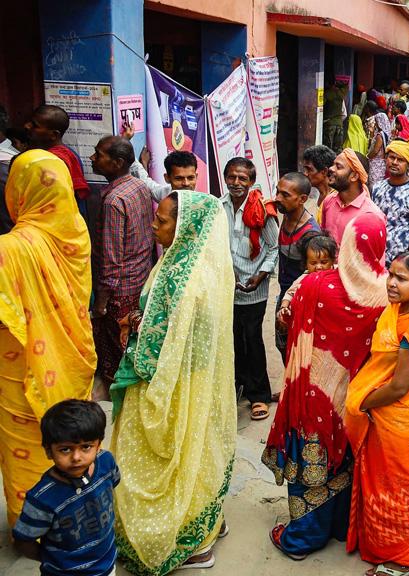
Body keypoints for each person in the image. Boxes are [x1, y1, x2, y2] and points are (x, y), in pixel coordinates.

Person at [111, 191, 235, 573]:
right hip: (186, 379)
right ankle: (208, 522)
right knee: (195, 453)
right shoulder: (181, 259)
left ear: (185, 227)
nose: (154, 225)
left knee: (172, 454)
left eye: (162, 220)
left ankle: (188, 541)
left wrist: (137, 362)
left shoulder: (189, 279)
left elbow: (166, 344)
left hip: (171, 382)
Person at [263, 206, 388, 559]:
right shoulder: (386, 292)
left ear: (345, 245)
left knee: (313, 461)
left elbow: (289, 331)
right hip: (356, 397)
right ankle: (338, 528)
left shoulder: (315, 284)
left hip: (314, 393)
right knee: (344, 461)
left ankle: (302, 538)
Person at [0, 150, 96, 527]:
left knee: (28, 442)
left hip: (20, 366)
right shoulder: (75, 234)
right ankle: (77, 513)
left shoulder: (9, 248)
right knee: (74, 439)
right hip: (71, 358)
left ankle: (31, 523)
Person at [344, 251, 409, 576]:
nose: (392, 283)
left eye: (402, 278)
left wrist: (362, 402)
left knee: (402, 493)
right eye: (391, 274)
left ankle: (404, 559)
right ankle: (382, 548)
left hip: (401, 422)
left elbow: (399, 387)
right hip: (384, 419)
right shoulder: (394, 313)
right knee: (380, 489)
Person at [12, 400, 118, 576]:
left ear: (98, 445)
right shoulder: (42, 499)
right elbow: (23, 541)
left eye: (86, 447)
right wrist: (55, 562)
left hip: (107, 565)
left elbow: (113, 483)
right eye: (65, 450)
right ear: (48, 451)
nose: (76, 457)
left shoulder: (106, 463)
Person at [89, 135, 155, 394]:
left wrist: (102, 303)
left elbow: (111, 259)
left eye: (99, 154)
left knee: (119, 354)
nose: (93, 159)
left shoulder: (114, 200)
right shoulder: (138, 187)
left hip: (120, 293)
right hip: (140, 281)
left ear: (116, 163)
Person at [220, 158, 279, 421]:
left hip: (254, 288)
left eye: (242, 178)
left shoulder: (262, 210)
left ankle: (259, 395)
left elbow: (274, 248)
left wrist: (261, 275)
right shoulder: (217, 208)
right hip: (226, 287)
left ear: (251, 181)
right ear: (225, 178)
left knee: (252, 339)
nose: (236, 183)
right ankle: (237, 386)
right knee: (231, 339)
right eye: (232, 177)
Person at [273, 173, 321, 360]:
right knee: (283, 345)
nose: (278, 198)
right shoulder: (287, 214)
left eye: (285, 195)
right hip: (285, 294)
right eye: (278, 192)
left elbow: (313, 275)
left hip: (299, 300)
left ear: (302, 199)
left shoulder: (310, 234)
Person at [24, 105, 90, 214]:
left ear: (54, 135)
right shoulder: (69, 154)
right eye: (29, 122)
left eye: (35, 125)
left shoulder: (53, 160)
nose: (26, 126)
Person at [372, 140, 409, 265]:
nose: (394, 162)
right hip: (375, 257)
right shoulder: (377, 188)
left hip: (398, 262)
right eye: (392, 157)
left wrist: (406, 265)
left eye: (401, 160)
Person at [321, 149, 385, 245]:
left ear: (354, 176)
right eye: (333, 165)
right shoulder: (328, 201)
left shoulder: (372, 215)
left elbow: (374, 258)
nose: (331, 168)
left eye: (338, 167)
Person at [301, 145, 335, 214]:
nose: (305, 174)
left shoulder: (334, 200)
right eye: (305, 169)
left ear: (324, 171)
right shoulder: (322, 195)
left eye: (309, 169)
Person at [367, 111, 393, 185]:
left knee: (374, 183)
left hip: (376, 163)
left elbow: (375, 151)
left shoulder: (380, 135)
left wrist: (367, 157)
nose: (375, 124)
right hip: (382, 163)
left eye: (376, 121)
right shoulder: (387, 134)